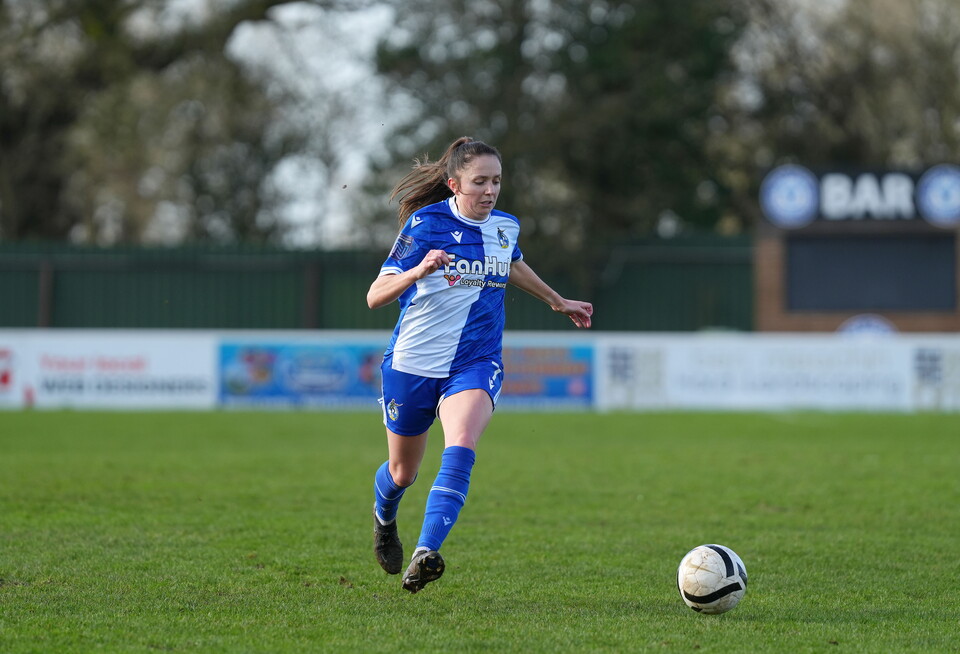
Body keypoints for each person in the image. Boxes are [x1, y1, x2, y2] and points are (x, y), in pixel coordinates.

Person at [366, 136, 593, 593]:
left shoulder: (506, 227)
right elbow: (375, 296)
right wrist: (418, 271)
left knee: (463, 440)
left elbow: (511, 265)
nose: (490, 191)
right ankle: (384, 521)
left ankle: (425, 552)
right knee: (402, 473)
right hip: (413, 363)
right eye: (479, 182)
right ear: (453, 184)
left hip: (475, 360)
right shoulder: (425, 224)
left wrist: (557, 301)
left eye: (497, 181)